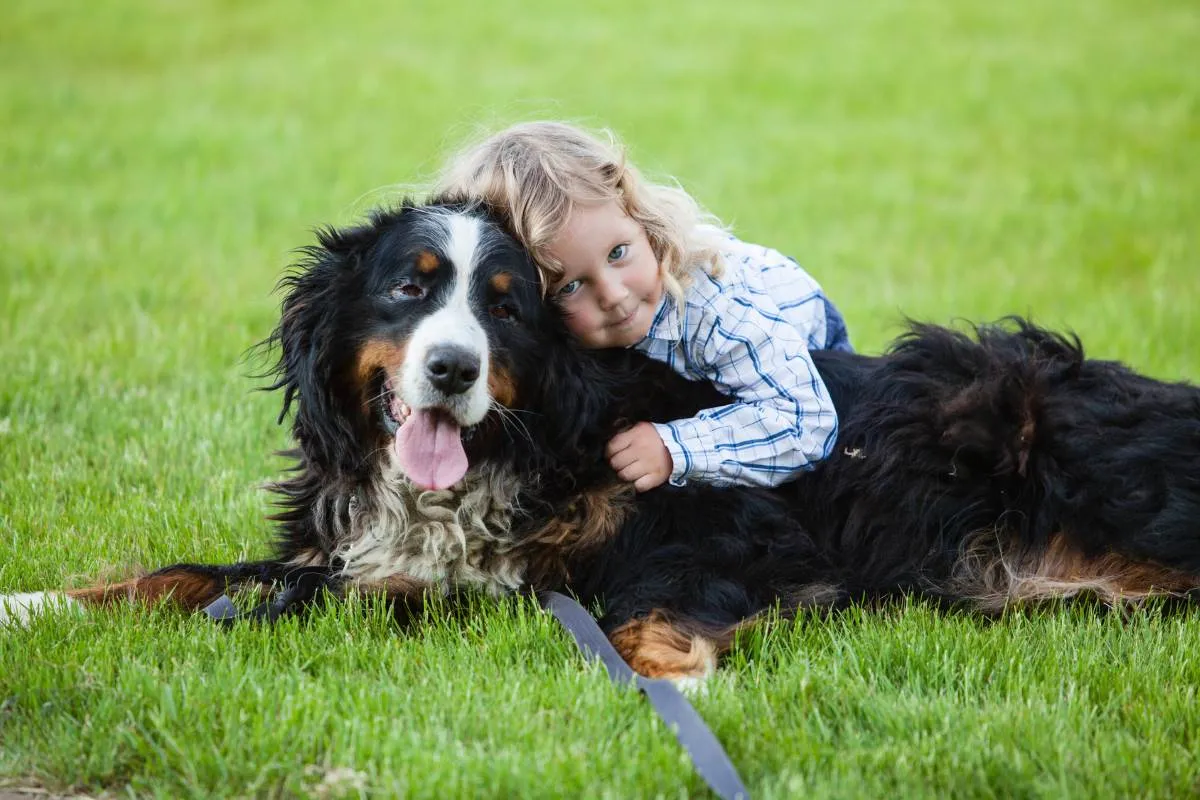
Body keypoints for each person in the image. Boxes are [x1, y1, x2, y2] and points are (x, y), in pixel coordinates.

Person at [437, 121, 852, 492]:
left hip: (810, 343)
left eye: (618, 252)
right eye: (572, 286)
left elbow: (804, 422)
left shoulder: (716, 308)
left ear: (640, 217)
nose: (614, 295)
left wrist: (676, 448)